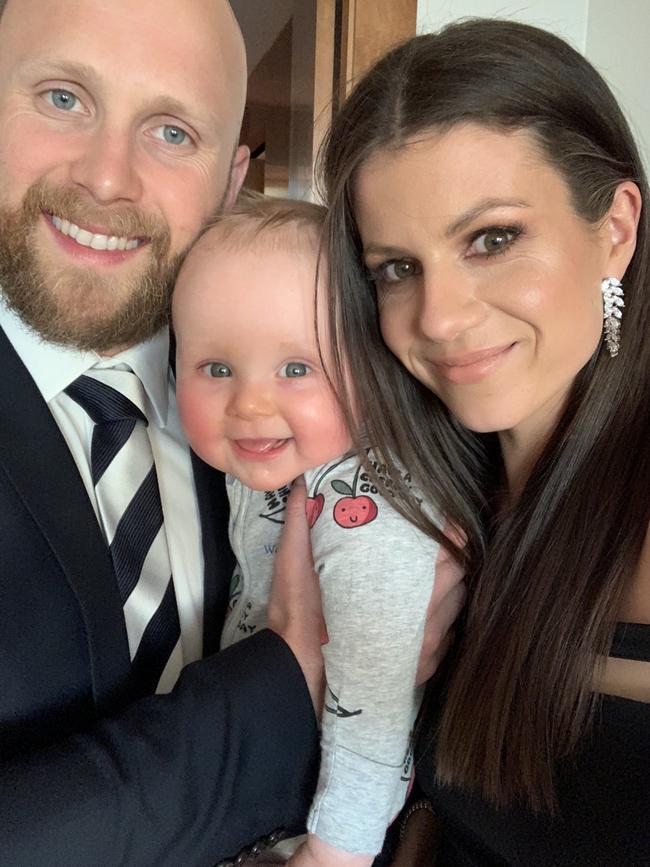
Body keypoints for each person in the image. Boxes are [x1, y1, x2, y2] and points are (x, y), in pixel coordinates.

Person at [0, 1, 462, 864]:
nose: (108, 177)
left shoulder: (301, 407)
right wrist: (284, 685)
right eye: (63, 98)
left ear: (232, 176)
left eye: (172, 130)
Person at [319, 18, 650, 867]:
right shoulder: (417, 504)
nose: (438, 317)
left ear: (615, 228)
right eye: (397, 267)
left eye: (492, 240)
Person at [172, 195, 463, 867]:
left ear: (367, 369)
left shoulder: (362, 502)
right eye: (216, 368)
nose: (249, 402)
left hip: (332, 815)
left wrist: (335, 853)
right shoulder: (279, 455)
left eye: (297, 368)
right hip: (268, 782)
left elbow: (375, 709)